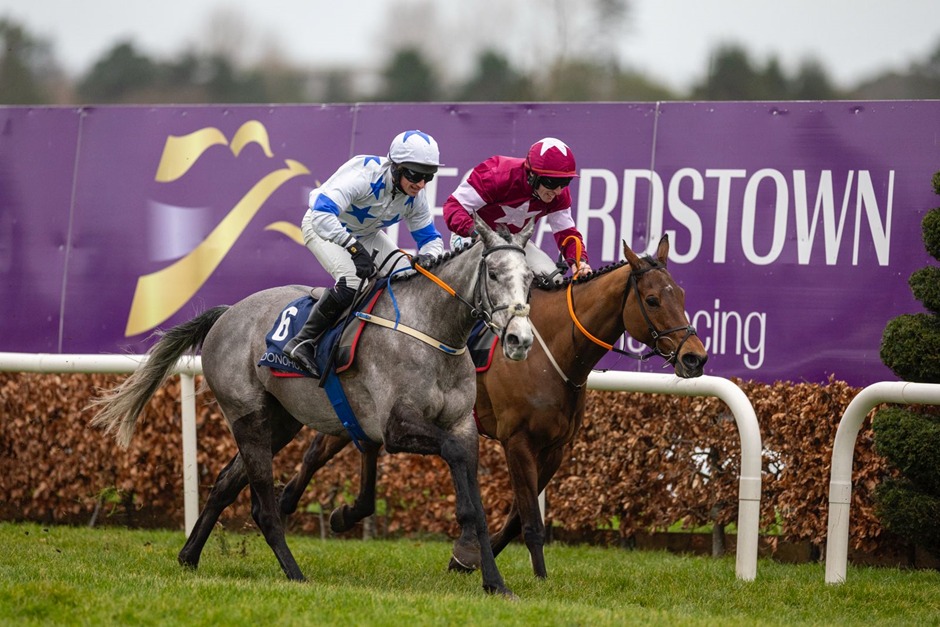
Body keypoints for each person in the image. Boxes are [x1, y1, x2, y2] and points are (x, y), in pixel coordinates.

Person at [284, 130, 445, 376]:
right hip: (323, 226)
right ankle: (302, 341)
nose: (421, 184)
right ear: (396, 167)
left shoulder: (416, 197)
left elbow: (431, 239)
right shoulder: (363, 175)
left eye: (428, 176)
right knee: (353, 280)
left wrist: (428, 256)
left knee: (409, 277)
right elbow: (321, 213)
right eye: (415, 175)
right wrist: (353, 247)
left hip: (366, 233)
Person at [443, 137, 592, 283]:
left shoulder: (559, 194)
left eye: (565, 182)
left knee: (554, 280)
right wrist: (476, 234)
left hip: (515, 241)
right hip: (474, 236)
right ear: (532, 175)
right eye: (553, 182)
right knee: (488, 281)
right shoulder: (496, 174)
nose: (558, 191)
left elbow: (566, 233)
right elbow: (453, 207)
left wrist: (579, 262)